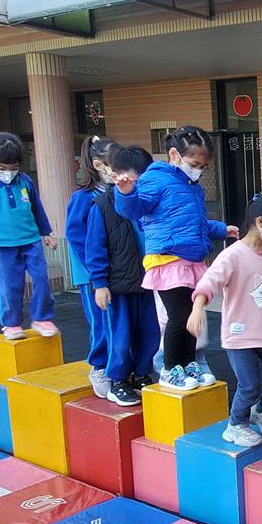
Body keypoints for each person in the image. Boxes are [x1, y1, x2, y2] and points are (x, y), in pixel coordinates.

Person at [113, 126, 238, 391]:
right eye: (194, 164)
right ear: (174, 155)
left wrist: (221, 229)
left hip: (191, 261)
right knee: (178, 317)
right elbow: (135, 210)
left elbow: (198, 223)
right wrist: (126, 193)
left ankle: (189, 363)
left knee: (193, 316)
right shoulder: (155, 179)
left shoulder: (193, 187)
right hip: (167, 260)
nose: (198, 170)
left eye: (202, 167)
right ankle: (170, 369)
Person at [188, 190, 262, 447]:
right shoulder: (233, 255)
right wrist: (197, 308)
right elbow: (210, 281)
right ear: (261, 223)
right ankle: (236, 425)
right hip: (241, 336)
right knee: (248, 385)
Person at [84, 146, 161, 406]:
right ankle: (117, 380)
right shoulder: (102, 206)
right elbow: (95, 248)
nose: (138, 187)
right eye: (135, 181)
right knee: (119, 335)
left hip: (146, 282)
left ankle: (141, 374)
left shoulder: (148, 201)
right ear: (116, 176)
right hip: (118, 286)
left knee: (149, 332)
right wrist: (100, 284)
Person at [0, 132, 58, 340]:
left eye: (14, 168)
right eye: (2, 168)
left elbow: (37, 208)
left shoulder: (25, 181)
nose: (8, 173)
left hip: (31, 240)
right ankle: (11, 323)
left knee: (41, 278)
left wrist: (46, 232)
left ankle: (41, 317)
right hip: (3, 245)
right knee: (9, 285)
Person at [67, 134, 117, 398]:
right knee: (99, 321)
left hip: (115, 270)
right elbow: (75, 235)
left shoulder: (116, 192)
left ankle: (117, 367)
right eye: (115, 164)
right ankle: (99, 367)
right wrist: (94, 269)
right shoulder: (83, 197)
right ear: (99, 165)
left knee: (116, 321)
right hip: (91, 274)